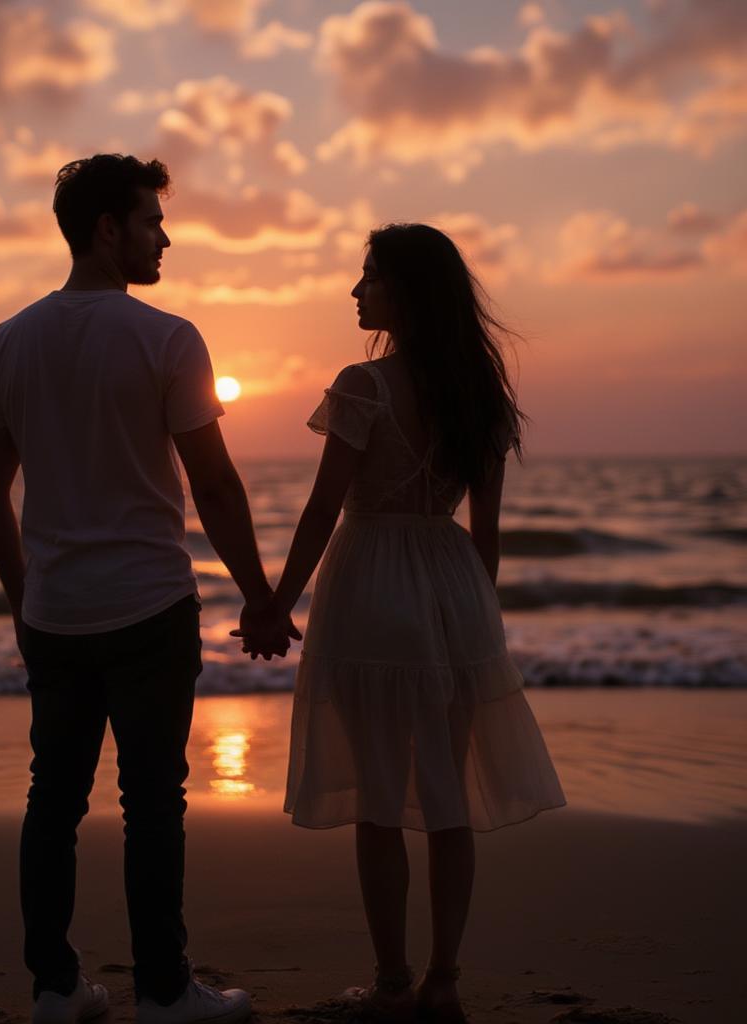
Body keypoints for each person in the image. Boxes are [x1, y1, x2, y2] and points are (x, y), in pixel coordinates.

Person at [0, 154, 296, 1024]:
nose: (165, 235)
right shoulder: (167, 338)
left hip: (57, 614)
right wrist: (261, 597)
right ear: (107, 230)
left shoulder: (8, 339)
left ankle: (55, 988)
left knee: (54, 799)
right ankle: (162, 990)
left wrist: (21, 596)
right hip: (151, 607)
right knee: (152, 801)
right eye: (151, 220)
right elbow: (218, 487)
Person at [236, 223, 566, 1023]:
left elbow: (321, 510)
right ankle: (443, 978)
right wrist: (475, 616)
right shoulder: (481, 397)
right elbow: (485, 531)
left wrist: (277, 602)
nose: (357, 291)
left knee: (381, 801)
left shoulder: (363, 385)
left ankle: (391, 981)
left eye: (370, 277)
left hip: (372, 585)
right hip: (453, 587)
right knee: (446, 795)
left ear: (406, 294)